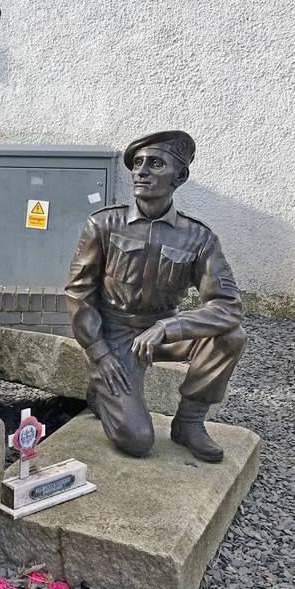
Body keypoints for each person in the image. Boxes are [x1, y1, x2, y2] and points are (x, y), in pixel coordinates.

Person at [65, 130, 247, 462]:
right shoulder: (104, 224)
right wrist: (99, 352)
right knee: (138, 442)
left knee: (231, 336)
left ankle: (189, 423)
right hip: (114, 336)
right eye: (137, 164)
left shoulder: (199, 238)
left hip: (159, 333)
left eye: (155, 163)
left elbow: (228, 306)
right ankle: (104, 390)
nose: (141, 172)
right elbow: (79, 294)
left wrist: (169, 327)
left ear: (180, 176)